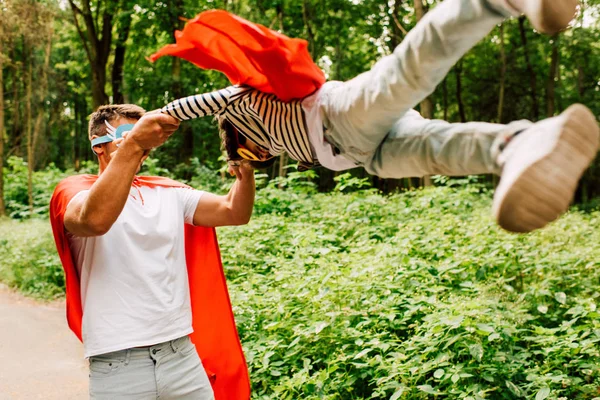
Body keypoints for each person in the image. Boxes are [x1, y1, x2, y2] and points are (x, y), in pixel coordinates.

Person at [151, 0, 600, 234]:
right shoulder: (272, 145)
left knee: (409, 73)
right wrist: (243, 169)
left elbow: (207, 101)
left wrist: (162, 116)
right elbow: (250, 166)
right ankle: (518, 145)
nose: (256, 153)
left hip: (338, 114)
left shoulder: (245, 98)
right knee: (437, 150)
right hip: (366, 152)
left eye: (248, 148)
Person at [49, 105, 254, 399]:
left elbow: (234, 211)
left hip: (181, 354)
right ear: (98, 145)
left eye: (141, 133)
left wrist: (244, 166)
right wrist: (133, 144)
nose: (138, 140)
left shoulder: (167, 192)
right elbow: (94, 220)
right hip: (118, 364)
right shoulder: (74, 192)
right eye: (127, 133)